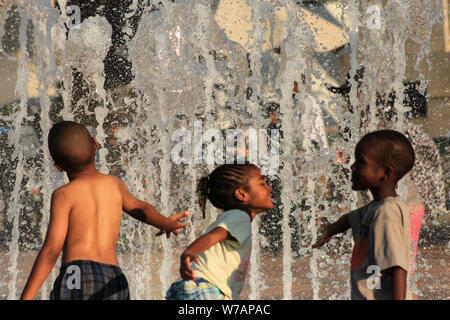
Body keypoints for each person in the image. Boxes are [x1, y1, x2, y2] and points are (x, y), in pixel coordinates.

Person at [20, 121, 189, 300]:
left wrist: (27, 296)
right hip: (113, 276)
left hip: (77, 272)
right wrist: (166, 223)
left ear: (58, 166)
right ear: (95, 143)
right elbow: (143, 209)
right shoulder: (114, 184)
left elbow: (51, 250)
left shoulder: (64, 194)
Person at [312, 129, 415, 300]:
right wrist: (330, 230)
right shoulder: (375, 208)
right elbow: (350, 219)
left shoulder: (386, 212)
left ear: (385, 173)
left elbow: (398, 268)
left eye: (360, 162)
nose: (352, 166)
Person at [165, 163, 273, 300]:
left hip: (194, 286)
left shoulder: (233, 217)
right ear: (241, 194)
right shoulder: (240, 216)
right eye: (262, 184)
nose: (269, 188)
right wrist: (188, 253)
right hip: (205, 287)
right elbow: (213, 236)